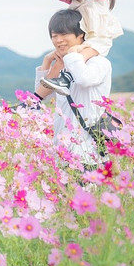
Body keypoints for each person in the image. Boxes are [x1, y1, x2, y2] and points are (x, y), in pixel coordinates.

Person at [32, 10, 112, 167]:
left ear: (81, 34)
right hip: (62, 151)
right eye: (54, 36)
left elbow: (83, 78)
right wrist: (46, 64)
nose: (58, 41)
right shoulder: (65, 65)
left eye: (64, 35)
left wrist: (73, 54)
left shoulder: (99, 63)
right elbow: (39, 98)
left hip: (88, 151)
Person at [41, 0, 122, 96]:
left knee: (77, 55)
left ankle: (66, 78)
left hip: (99, 35)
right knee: (73, 54)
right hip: (84, 34)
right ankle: (64, 79)